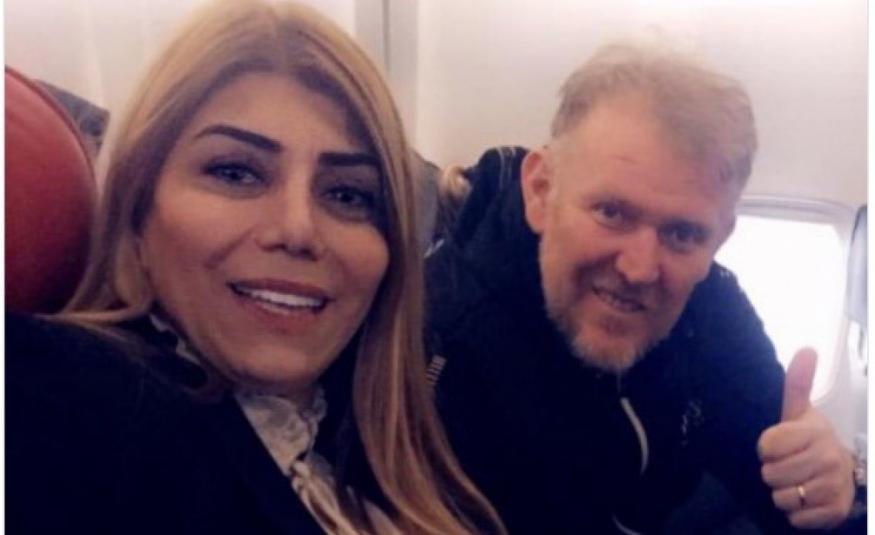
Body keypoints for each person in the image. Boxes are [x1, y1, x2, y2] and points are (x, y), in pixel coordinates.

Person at [6, 1, 505, 534]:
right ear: (136, 210)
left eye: (347, 194)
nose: (298, 230)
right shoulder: (58, 396)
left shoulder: (393, 465)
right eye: (236, 173)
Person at [425, 43, 859, 534]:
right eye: (611, 212)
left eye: (683, 234)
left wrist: (832, 483)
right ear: (542, 191)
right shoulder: (438, 347)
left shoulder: (710, 302)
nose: (639, 269)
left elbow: (782, 465)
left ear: (719, 238)